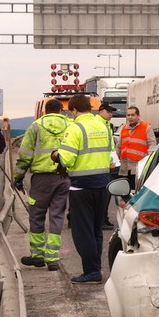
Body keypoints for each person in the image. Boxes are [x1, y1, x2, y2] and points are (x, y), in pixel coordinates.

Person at [53, 94, 113, 284]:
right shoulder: (103, 125)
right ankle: (95, 268)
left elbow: (67, 159)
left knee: (82, 232)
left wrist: (56, 155)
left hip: (82, 187)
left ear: (74, 110)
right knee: (96, 230)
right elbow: (111, 155)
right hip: (103, 184)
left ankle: (92, 271)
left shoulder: (75, 127)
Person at [14, 99, 70, 271]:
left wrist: (19, 176)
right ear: (61, 110)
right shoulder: (70, 125)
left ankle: (37, 256)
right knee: (57, 216)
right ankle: (52, 258)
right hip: (63, 177)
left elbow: (25, 153)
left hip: (41, 179)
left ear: (45, 111)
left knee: (37, 215)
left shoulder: (36, 126)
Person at [96, 102, 122, 229]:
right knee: (103, 194)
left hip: (109, 162)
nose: (111, 114)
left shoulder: (108, 125)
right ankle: (100, 220)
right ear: (101, 111)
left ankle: (103, 218)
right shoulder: (98, 124)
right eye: (108, 112)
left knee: (106, 194)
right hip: (101, 164)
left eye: (112, 112)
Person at [118, 106, 156, 189]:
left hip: (138, 167)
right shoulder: (123, 128)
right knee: (125, 194)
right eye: (128, 115)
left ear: (138, 116)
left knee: (136, 192)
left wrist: (149, 163)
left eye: (133, 115)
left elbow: (152, 145)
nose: (130, 117)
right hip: (125, 167)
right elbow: (119, 146)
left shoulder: (146, 127)